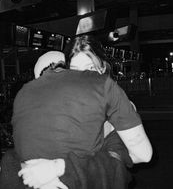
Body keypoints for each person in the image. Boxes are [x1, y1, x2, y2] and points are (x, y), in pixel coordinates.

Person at [11, 35, 152, 188]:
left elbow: (138, 155)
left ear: (103, 67)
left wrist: (57, 168)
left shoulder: (120, 104)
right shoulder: (65, 108)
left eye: (91, 68)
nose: (85, 77)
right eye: (76, 71)